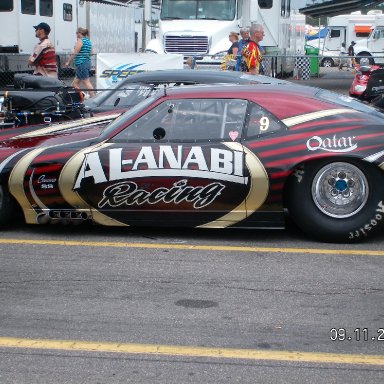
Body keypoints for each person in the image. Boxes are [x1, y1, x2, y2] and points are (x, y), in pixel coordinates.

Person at [65, 27, 95, 98]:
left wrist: (68, 62)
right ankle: (80, 97)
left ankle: (93, 98)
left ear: (79, 33)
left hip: (81, 64)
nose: (76, 34)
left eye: (76, 33)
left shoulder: (80, 41)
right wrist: (85, 54)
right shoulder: (88, 42)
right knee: (75, 84)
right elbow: (92, 53)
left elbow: (75, 53)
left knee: (86, 81)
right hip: (87, 62)